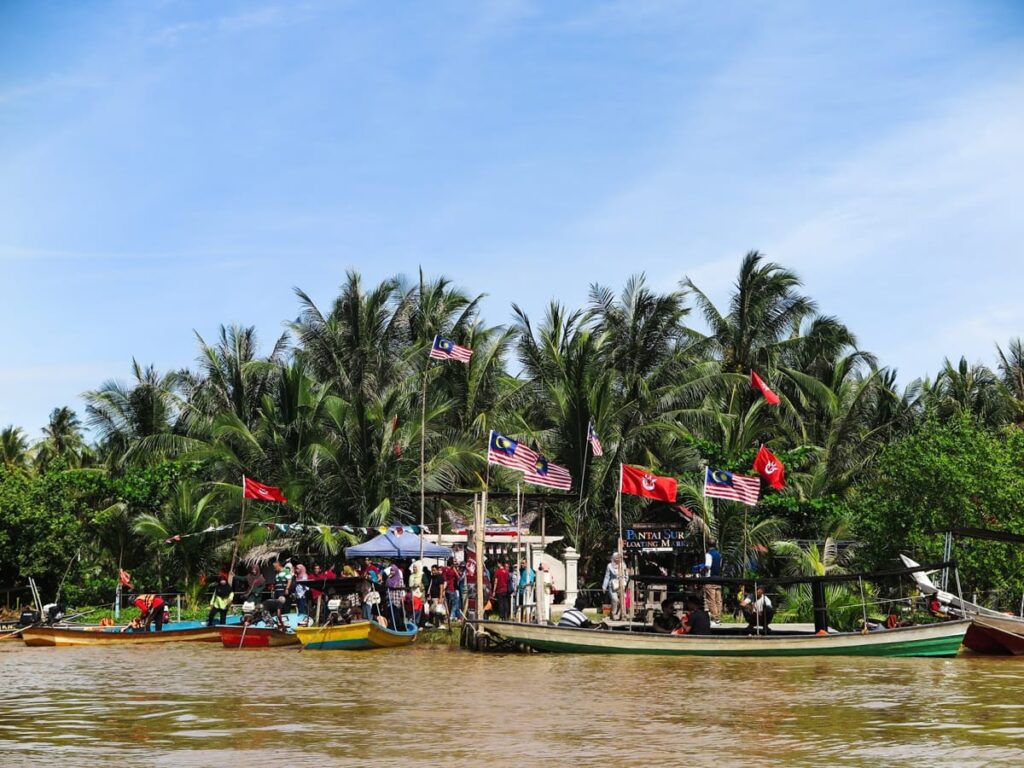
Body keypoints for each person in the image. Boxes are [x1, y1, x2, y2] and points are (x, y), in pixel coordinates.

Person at [699, 541, 723, 626]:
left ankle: (715, 619)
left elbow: (708, 566)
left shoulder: (708, 554)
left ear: (708, 546)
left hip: (710, 579)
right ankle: (718, 618)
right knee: (718, 600)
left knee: (711, 600)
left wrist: (701, 570)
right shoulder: (719, 554)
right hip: (718, 579)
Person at [602, 552, 629, 621]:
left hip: (622, 585)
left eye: (618, 558)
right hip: (612, 586)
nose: (617, 559)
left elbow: (626, 576)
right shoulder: (609, 566)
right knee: (615, 599)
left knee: (623, 599)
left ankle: (619, 614)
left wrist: (625, 582)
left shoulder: (623, 565)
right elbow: (607, 576)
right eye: (616, 558)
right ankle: (613, 614)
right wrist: (604, 586)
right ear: (613, 558)